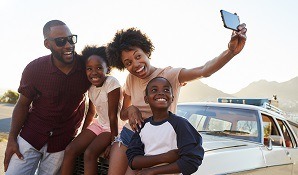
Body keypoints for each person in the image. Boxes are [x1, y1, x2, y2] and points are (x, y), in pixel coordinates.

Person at [106, 25, 247, 174]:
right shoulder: (130, 78)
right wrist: (132, 109)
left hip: (153, 143)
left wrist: (231, 52)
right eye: (128, 63)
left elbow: (204, 70)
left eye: (138, 56)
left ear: (146, 51)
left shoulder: (169, 75)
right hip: (129, 136)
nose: (135, 64)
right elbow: (122, 114)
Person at [4, 20, 91, 175]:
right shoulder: (34, 69)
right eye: (60, 41)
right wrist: (11, 139)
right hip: (30, 136)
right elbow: (22, 105)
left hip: (62, 141)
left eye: (71, 39)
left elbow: (96, 102)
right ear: (47, 44)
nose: (68, 45)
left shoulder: (87, 68)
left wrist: (83, 134)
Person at [61, 45, 123, 175]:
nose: (94, 72)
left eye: (99, 68)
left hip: (112, 127)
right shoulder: (91, 87)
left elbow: (113, 116)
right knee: (70, 149)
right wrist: (82, 134)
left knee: (89, 153)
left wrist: (113, 143)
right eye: (89, 69)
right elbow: (91, 112)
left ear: (108, 68)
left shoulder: (112, 83)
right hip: (99, 124)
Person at [126, 77, 204, 175]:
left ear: (172, 98)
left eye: (166, 90)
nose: (161, 93)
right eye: (154, 90)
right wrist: (164, 157)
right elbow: (133, 160)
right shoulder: (142, 126)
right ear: (146, 99)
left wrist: (152, 171)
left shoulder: (180, 124)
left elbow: (192, 161)